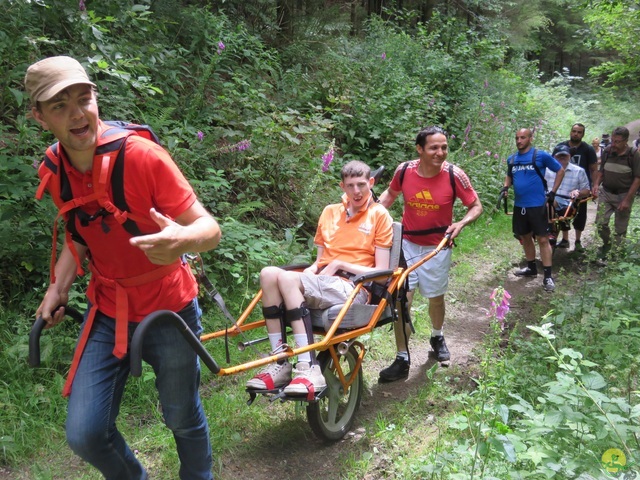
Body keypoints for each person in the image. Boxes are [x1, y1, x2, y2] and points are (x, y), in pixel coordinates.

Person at [26, 56, 221, 480]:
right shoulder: (55, 170)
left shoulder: (143, 157)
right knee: (85, 433)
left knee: (181, 416)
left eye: (84, 98)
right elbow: (79, 235)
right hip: (108, 309)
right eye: (60, 106)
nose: (78, 113)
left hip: (170, 310)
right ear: (39, 117)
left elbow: (209, 229)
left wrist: (182, 241)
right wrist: (56, 288)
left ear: (96, 98)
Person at [245, 160, 393, 395]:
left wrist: (338, 264)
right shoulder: (329, 212)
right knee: (268, 273)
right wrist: (313, 270)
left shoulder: (379, 215)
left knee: (288, 279)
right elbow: (319, 261)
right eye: (351, 185)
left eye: (362, 185)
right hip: (325, 281)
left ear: (371, 183)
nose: (357, 192)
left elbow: (383, 274)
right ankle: (280, 363)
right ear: (342, 186)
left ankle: (308, 367)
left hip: (354, 287)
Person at [376, 126, 483, 382]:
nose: (440, 152)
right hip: (406, 245)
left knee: (435, 298)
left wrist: (461, 223)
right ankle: (402, 357)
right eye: (434, 147)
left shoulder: (454, 175)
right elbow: (391, 194)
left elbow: (475, 206)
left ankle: (437, 336)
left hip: (438, 247)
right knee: (403, 301)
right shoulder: (404, 171)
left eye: (444, 147)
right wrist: (374, 214)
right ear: (420, 149)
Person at [502, 128, 565, 292]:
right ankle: (531, 267)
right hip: (519, 206)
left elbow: (560, 170)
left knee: (543, 239)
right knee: (525, 236)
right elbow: (509, 175)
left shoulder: (540, 155)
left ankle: (548, 276)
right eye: (517, 138)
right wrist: (505, 187)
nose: (519, 141)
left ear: (530, 138)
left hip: (537, 205)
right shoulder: (512, 159)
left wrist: (553, 192)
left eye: (523, 137)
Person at [592, 126, 640, 257]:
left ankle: (616, 255)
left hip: (624, 194)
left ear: (626, 141)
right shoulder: (607, 151)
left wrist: (627, 199)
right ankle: (607, 244)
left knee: (620, 228)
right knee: (600, 223)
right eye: (612, 140)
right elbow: (601, 171)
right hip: (606, 192)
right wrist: (596, 184)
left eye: (617, 141)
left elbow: (637, 178)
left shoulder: (633, 154)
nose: (613, 144)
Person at [554, 123, 598, 252]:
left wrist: (594, 186)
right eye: (574, 131)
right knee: (561, 212)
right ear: (570, 132)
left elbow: (594, 169)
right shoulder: (560, 146)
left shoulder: (588, 149)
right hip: (563, 184)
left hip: (581, 185)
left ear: (582, 134)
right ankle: (565, 239)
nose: (576, 134)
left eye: (579, 132)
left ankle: (578, 240)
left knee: (580, 214)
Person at [545, 144, 591, 248]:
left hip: (567, 201)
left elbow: (587, 191)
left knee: (549, 201)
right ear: (554, 157)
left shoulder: (579, 171)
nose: (562, 158)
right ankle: (525, 231)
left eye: (564, 155)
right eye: (559, 155)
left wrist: (578, 192)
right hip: (548, 197)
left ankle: (550, 230)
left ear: (569, 156)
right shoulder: (547, 170)